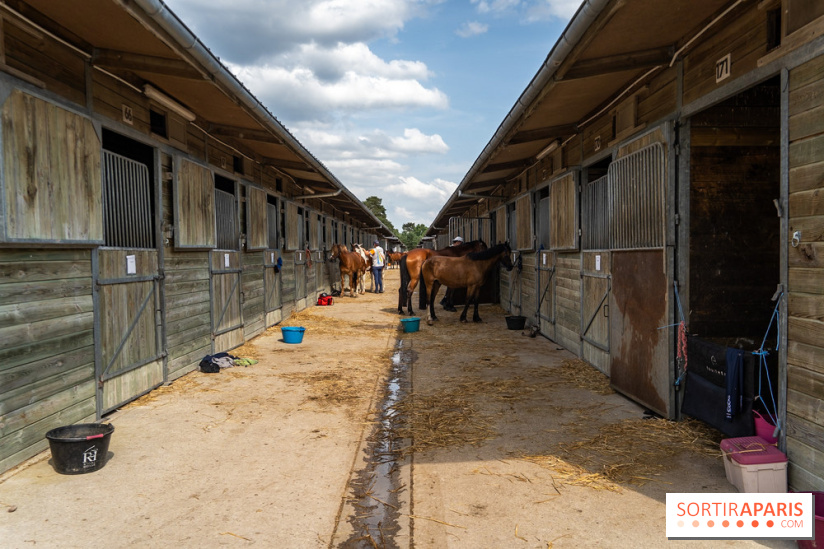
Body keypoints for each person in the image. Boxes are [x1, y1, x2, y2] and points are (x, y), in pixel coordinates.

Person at [440, 236, 464, 311]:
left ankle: (445, 300)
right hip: (449, 270)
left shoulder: (453, 249)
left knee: (450, 288)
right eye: (459, 243)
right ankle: (447, 302)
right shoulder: (452, 250)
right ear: (458, 242)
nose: (460, 244)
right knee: (451, 287)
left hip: (451, 270)